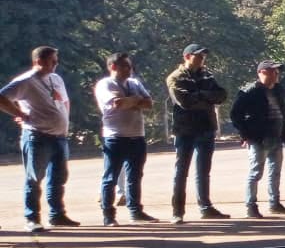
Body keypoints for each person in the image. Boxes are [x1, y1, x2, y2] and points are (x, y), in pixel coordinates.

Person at [0, 45, 76, 230]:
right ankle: (32, 218)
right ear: (38, 61)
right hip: (37, 135)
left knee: (58, 177)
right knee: (34, 178)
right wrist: (20, 114)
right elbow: (2, 98)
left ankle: (57, 215)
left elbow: (64, 101)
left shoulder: (56, 79)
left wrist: (64, 120)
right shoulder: (26, 81)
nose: (56, 64)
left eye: (56, 61)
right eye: (52, 61)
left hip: (59, 136)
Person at [166, 43, 230, 223]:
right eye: (198, 55)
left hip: (206, 127)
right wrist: (206, 96)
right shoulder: (175, 77)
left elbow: (221, 95)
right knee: (181, 172)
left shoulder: (207, 75)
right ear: (187, 56)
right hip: (185, 129)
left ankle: (205, 207)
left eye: (203, 56)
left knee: (203, 171)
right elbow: (184, 101)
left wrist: (199, 95)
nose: (202, 59)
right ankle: (178, 211)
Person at [93, 52, 158, 226]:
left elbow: (149, 103)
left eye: (130, 66)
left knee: (135, 176)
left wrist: (131, 101)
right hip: (115, 137)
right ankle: (108, 215)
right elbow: (118, 104)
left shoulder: (134, 83)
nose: (130, 69)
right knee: (110, 178)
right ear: (113, 66)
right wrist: (137, 100)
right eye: (125, 66)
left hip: (137, 136)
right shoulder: (105, 84)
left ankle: (136, 211)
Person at [230, 60, 285, 217]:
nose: (276, 75)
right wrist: (245, 134)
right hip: (259, 138)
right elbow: (236, 114)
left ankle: (274, 203)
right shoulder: (250, 91)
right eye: (273, 71)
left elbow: (284, 110)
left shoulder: (279, 90)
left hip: (276, 136)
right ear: (262, 73)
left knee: (275, 173)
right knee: (255, 173)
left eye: (277, 72)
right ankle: (250, 206)